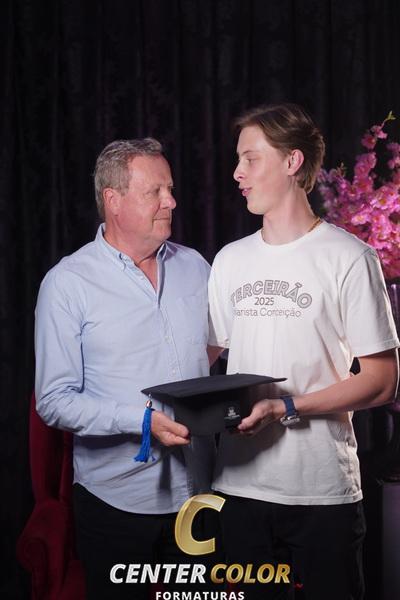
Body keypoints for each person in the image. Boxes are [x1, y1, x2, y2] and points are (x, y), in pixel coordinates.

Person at [208, 103, 400, 600]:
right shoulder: (229, 261)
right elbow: (204, 362)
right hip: (239, 489)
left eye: (250, 159)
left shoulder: (350, 258)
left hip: (323, 492)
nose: (237, 173)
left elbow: (382, 381)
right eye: (238, 160)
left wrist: (286, 407)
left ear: (292, 162)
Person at [35, 138, 216, 599]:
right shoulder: (67, 284)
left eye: (170, 189)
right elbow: (53, 401)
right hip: (114, 505)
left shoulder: (196, 267)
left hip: (199, 496)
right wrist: (141, 421)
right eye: (155, 192)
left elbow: (211, 350)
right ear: (113, 200)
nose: (171, 201)